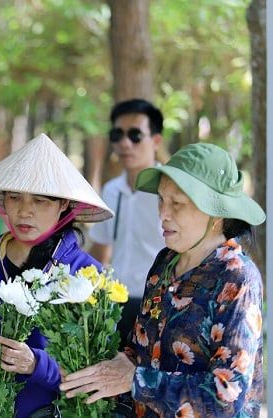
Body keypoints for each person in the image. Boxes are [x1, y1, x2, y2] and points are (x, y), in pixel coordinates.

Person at [60, 143, 264, 417]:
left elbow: (226, 395)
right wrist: (98, 367)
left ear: (215, 214)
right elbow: (139, 351)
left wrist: (136, 381)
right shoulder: (165, 262)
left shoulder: (237, 278)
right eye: (161, 200)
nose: (163, 213)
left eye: (177, 203)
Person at [0, 134, 114, 418]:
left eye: (40, 201)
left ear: (64, 205)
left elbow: (97, 377)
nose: (24, 211)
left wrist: (36, 365)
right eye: (15, 197)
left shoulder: (85, 275)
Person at [88, 98, 166, 347]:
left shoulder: (170, 192)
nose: (124, 143)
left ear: (156, 140)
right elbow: (99, 250)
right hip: (116, 305)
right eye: (117, 134)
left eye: (135, 135)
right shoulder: (111, 191)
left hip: (159, 305)